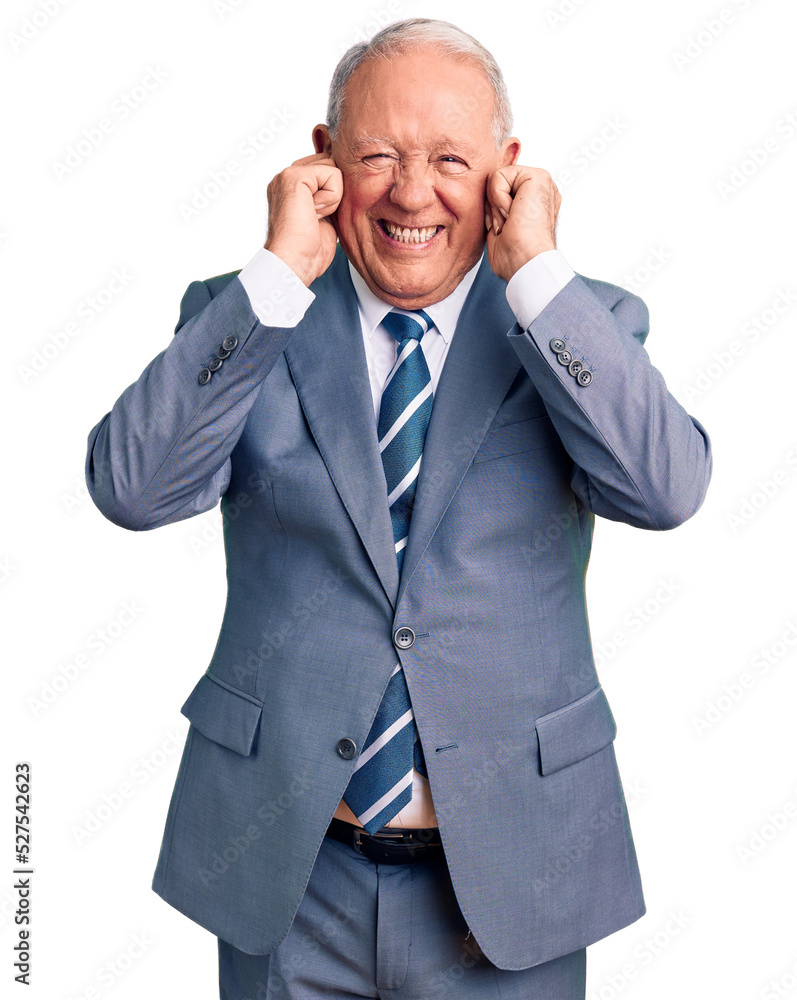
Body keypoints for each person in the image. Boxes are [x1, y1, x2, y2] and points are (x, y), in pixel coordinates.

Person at [85, 17, 712, 1000]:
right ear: (324, 159)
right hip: (288, 875)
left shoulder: (576, 321)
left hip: (511, 877)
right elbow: (131, 487)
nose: (412, 193)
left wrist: (536, 272)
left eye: (450, 159)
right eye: (378, 155)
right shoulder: (249, 315)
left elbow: (666, 488)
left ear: (505, 170)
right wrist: (275, 273)